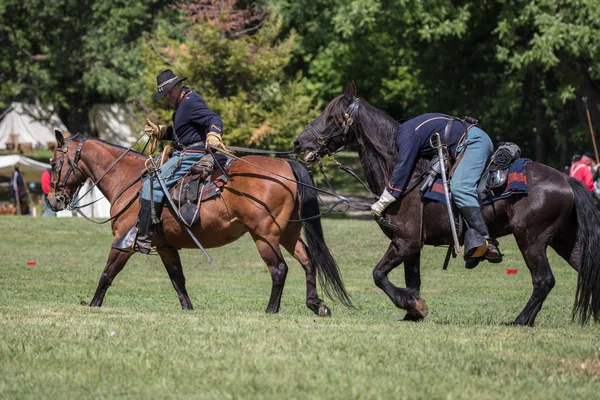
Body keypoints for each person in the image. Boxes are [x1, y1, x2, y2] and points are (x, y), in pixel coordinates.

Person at [114, 69, 230, 254]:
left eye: (169, 91)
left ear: (178, 86)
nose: (167, 96)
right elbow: (184, 134)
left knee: (151, 186)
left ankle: (143, 239)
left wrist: (214, 132)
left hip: (191, 154)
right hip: (184, 151)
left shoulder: (191, 102)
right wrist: (162, 132)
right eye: (164, 93)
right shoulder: (182, 103)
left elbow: (213, 118)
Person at [370, 113, 501, 265]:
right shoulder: (411, 129)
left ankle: (486, 240)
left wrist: (382, 202)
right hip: (464, 143)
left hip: (474, 142)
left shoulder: (407, 134)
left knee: (460, 188)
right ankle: (473, 243)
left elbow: (402, 168)